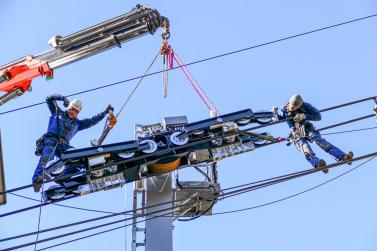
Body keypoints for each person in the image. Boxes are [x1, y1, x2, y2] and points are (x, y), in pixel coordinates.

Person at [32, 94, 113, 192]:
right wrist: (62, 98)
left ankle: (63, 177)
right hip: (51, 140)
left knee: (77, 157)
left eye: (76, 111)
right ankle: (37, 179)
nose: (73, 112)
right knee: (47, 158)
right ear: (68, 107)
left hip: (64, 145)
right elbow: (48, 99)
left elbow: (92, 121)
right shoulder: (57, 112)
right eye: (72, 109)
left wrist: (104, 113)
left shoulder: (77, 124)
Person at [272, 94, 353, 173]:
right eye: (292, 106)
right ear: (289, 103)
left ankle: (343, 157)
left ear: (299, 105)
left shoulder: (305, 106)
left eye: (295, 107)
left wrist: (304, 116)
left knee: (320, 142)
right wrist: (274, 112)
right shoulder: (284, 110)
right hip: (296, 132)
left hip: (307, 127)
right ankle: (317, 164)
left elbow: (318, 116)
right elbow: (276, 118)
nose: (292, 108)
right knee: (305, 147)